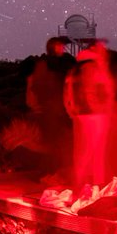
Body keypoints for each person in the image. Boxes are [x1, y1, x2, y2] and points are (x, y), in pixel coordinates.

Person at [63, 40, 115, 188]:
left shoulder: (74, 70)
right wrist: (103, 110)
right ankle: (97, 186)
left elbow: (66, 95)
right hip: (95, 116)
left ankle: (80, 186)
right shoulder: (94, 67)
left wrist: (71, 112)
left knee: (81, 154)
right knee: (97, 153)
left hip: (79, 116)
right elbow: (102, 90)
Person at [25, 36, 75, 182]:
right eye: (59, 46)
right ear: (52, 47)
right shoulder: (45, 64)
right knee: (52, 143)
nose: (62, 49)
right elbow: (38, 86)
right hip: (50, 110)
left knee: (59, 143)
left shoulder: (63, 64)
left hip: (60, 109)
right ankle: (47, 174)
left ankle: (53, 172)